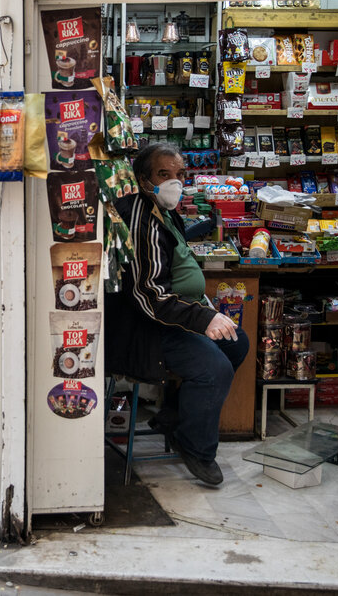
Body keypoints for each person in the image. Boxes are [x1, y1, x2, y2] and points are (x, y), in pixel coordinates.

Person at [105, 143, 248, 486]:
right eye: (164, 175)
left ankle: (176, 416)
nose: (175, 182)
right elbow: (148, 295)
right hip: (147, 328)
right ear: (143, 179)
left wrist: (204, 311)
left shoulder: (163, 211)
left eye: (180, 175)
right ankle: (195, 448)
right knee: (214, 368)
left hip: (175, 316)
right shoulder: (143, 219)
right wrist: (204, 319)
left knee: (235, 343)